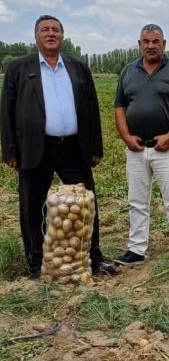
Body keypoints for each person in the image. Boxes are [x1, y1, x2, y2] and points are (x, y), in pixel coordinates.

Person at [0, 14, 116, 279]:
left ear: (62, 36)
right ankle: (36, 263)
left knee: (87, 201)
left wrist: (95, 147)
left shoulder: (78, 68)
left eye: (55, 30)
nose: (50, 34)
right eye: (45, 30)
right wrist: (10, 151)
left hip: (74, 147)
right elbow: (6, 112)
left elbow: (91, 109)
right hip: (34, 147)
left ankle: (93, 256)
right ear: (36, 36)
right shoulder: (19, 68)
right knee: (32, 206)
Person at [113, 24, 169, 265]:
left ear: (164, 44)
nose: (150, 45)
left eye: (155, 41)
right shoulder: (128, 72)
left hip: (166, 148)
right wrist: (127, 137)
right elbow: (119, 107)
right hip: (136, 148)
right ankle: (136, 249)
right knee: (137, 200)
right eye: (146, 41)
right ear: (139, 44)